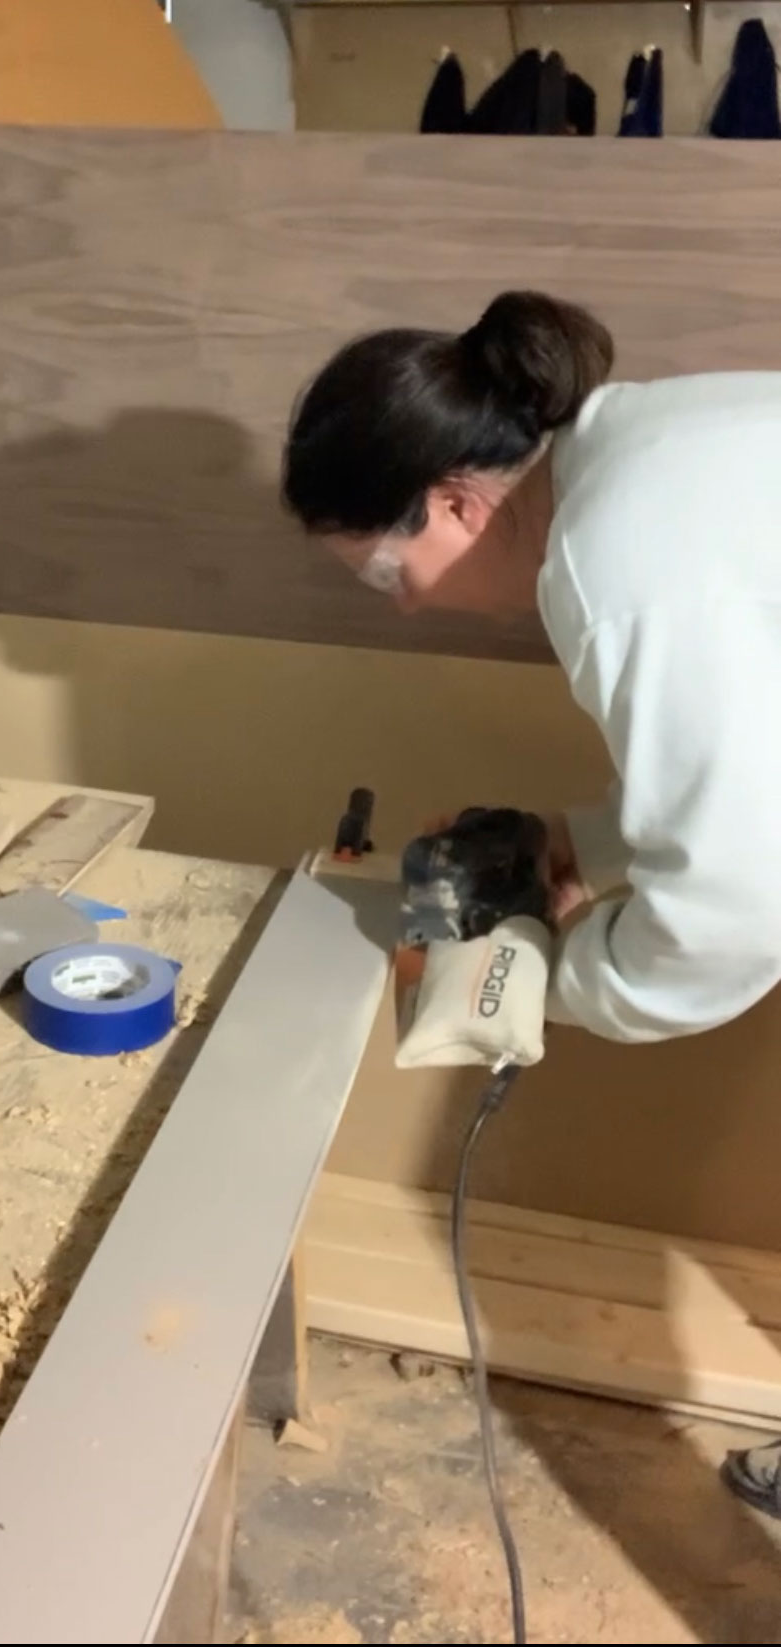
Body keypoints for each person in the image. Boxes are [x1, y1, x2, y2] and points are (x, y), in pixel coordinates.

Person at [281, 289, 781, 1518]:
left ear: (458, 501)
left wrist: (553, 975)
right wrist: (583, 842)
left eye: (391, 571)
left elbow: (736, 902)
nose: (402, 606)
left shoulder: (616, 567)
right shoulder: (653, 447)